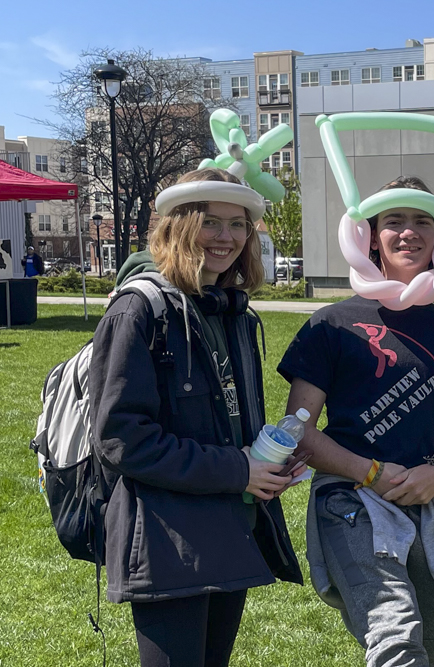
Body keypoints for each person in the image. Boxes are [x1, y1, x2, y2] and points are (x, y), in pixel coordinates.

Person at [89, 168, 304, 667]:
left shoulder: (234, 312)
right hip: (168, 542)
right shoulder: (137, 310)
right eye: (210, 222)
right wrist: (238, 470)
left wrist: (270, 463)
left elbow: (232, 422)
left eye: (238, 224)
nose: (225, 237)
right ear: (176, 226)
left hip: (231, 528)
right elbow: (122, 439)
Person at [280, 177, 434, 667]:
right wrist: (370, 473)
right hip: (351, 499)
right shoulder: (330, 324)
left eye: (422, 221)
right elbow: (298, 430)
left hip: (431, 501)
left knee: (431, 638)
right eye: (394, 221)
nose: (408, 232)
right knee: (395, 637)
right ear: (371, 236)